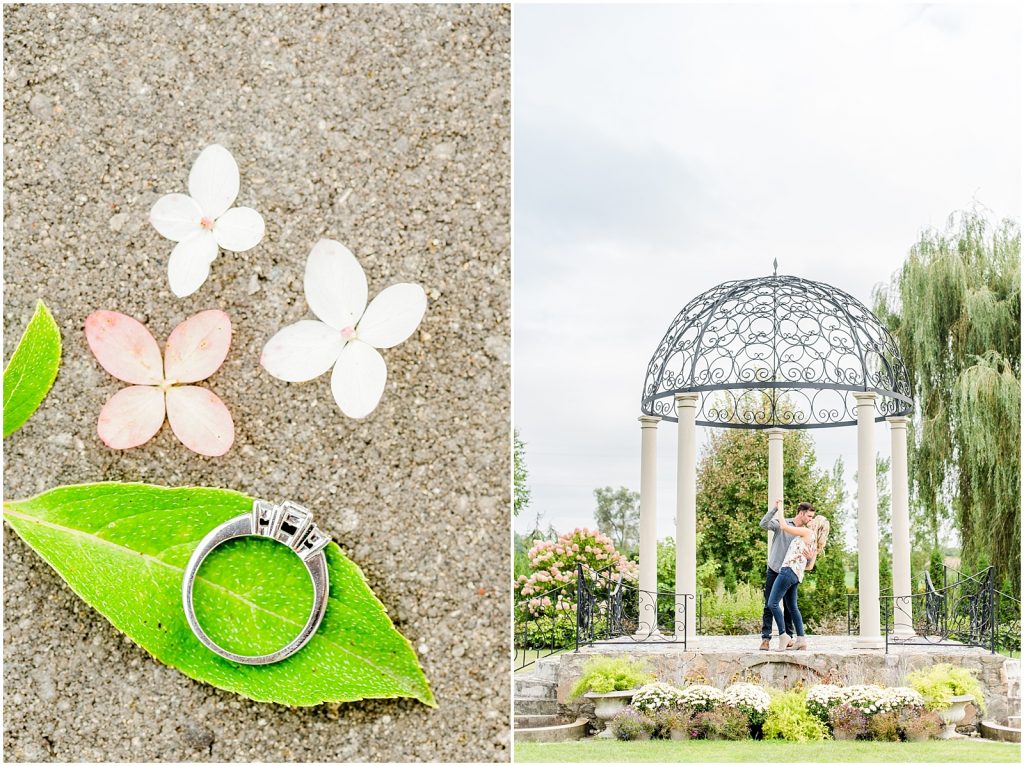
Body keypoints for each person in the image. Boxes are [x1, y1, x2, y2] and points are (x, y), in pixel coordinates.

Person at [758, 499, 815, 650]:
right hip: (775, 569)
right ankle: (766, 638)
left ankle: (788, 636)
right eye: (809, 516)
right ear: (801, 513)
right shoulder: (783, 523)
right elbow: (763, 524)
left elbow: (809, 565)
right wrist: (775, 509)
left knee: (789, 607)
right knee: (769, 605)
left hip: (789, 572)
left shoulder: (804, 533)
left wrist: (809, 558)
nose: (811, 519)